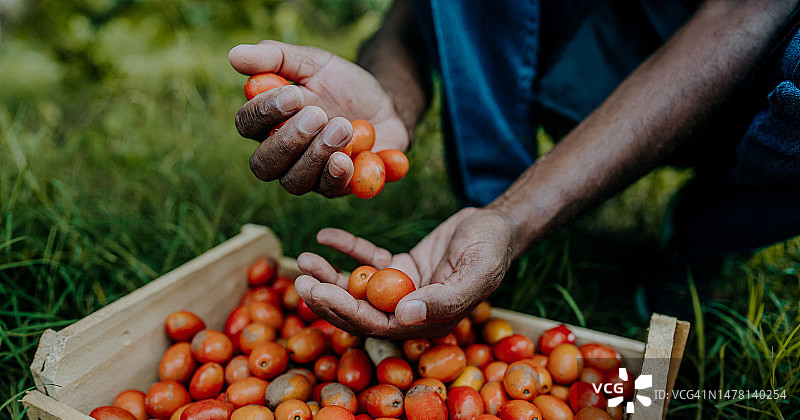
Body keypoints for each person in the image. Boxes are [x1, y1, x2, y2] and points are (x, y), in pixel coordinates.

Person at [229, 0, 800, 339]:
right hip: (577, 46)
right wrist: (389, 108)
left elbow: (743, 9)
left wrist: (516, 216)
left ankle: (710, 235)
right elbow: (414, 12)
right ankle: (491, 187)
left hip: (749, 70)